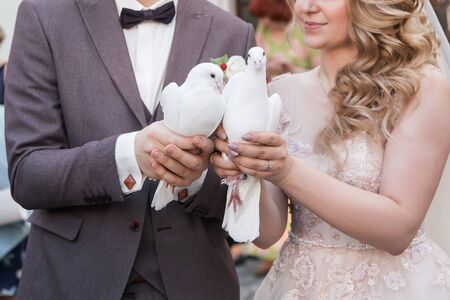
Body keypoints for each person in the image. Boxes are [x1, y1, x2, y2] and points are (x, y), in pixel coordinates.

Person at [5, 0, 255, 299]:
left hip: (194, 280)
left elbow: (249, 184)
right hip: (71, 278)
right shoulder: (44, 14)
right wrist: (128, 156)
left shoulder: (233, 32)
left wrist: (197, 180)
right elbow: (27, 174)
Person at [212, 0, 450, 298]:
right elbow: (268, 234)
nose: (306, 7)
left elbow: (398, 230)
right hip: (299, 285)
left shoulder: (421, 90)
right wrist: (245, 170)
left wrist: (286, 170)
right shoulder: (280, 94)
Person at [248, 0, 320, 80]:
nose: (263, 21)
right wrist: (267, 67)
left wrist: (291, 69)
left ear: (278, 10)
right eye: (259, 16)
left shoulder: (304, 29)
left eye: (264, 15)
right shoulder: (263, 29)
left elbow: (319, 75)